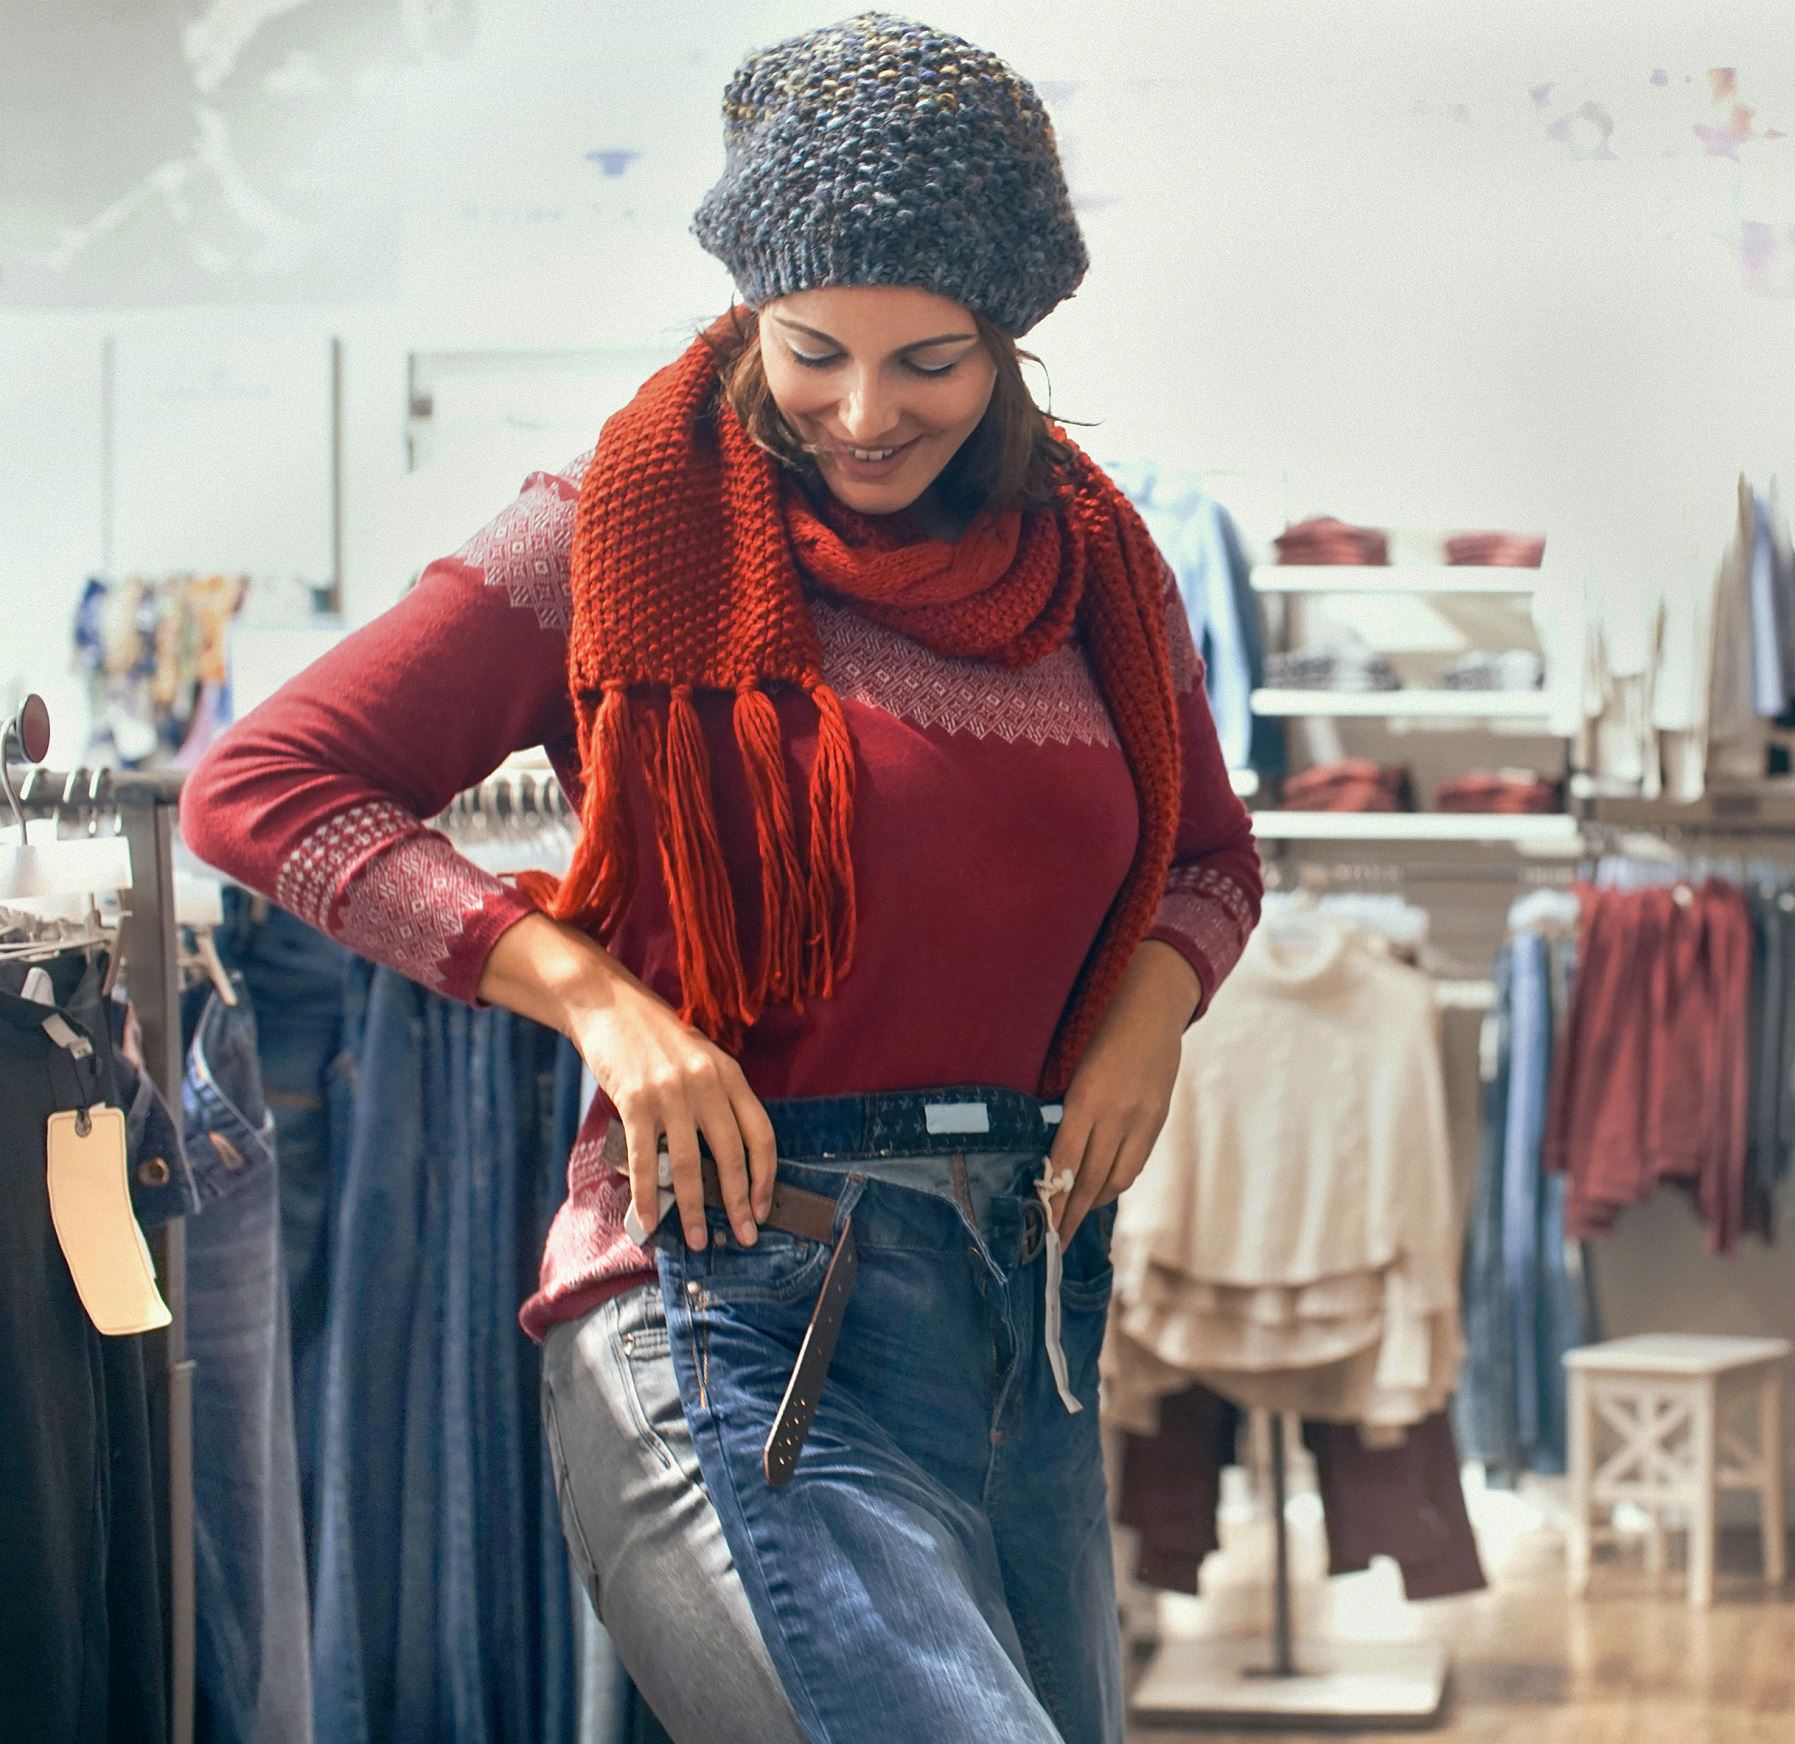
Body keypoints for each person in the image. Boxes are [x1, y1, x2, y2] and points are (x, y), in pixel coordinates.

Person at [181, 14, 1263, 1741]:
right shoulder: (609, 528)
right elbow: (258, 787)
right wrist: (599, 1003)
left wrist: (1150, 1010)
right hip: (735, 1299)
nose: (863, 412)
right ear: (750, 306)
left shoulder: (1096, 562)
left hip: (1032, 1314)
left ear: (1010, 338)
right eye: (813, 347)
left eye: (932, 361)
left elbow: (1208, 856)